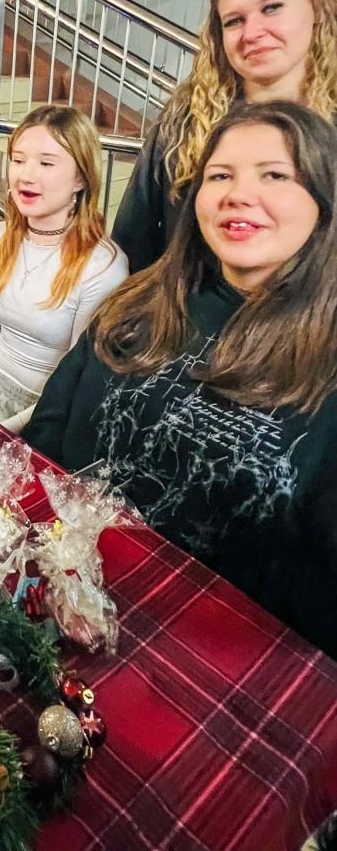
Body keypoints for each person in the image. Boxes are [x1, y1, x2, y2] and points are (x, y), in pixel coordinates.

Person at [23, 102, 337, 656]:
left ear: (323, 202)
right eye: (221, 175)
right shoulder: (141, 300)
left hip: (201, 652)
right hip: (51, 588)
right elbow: (51, 422)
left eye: (275, 175)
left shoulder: (325, 367)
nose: (240, 193)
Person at [112, 0, 337, 272]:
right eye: (234, 21)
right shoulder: (187, 118)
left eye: (272, 8)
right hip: (187, 315)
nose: (253, 32)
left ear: (317, 9)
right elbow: (133, 238)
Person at [0, 106, 127, 431]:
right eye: (18, 159)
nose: (26, 175)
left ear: (81, 179)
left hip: (45, 416)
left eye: (46, 163)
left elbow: (73, 385)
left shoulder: (103, 267)